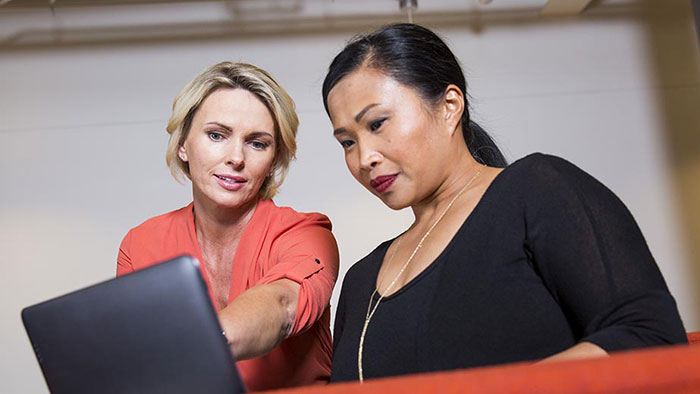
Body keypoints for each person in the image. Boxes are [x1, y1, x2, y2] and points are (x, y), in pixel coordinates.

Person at [321, 23, 687, 383]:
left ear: (450, 106)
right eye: (347, 142)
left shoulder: (537, 191)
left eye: (377, 123)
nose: (363, 157)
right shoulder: (360, 280)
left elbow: (649, 334)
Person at [117, 62, 339, 391]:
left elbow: (282, 304)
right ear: (183, 145)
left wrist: (190, 346)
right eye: (217, 135)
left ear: (274, 160)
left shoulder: (307, 234)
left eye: (257, 143)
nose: (236, 157)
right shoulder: (140, 245)